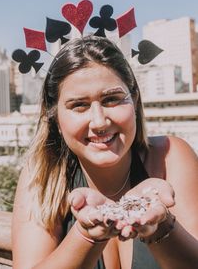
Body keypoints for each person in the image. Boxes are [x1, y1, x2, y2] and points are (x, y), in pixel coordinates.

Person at [12, 35, 198, 269]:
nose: (99, 122)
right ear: (55, 117)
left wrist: (162, 226)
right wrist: (87, 234)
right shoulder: (42, 175)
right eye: (79, 105)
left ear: (135, 100)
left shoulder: (171, 156)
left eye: (112, 99)